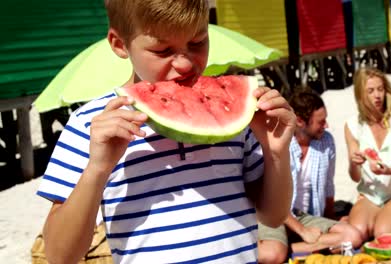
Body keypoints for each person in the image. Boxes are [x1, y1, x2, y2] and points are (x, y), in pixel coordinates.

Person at [36, 1, 296, 263]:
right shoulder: (91, 126)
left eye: (197, 43)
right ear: (118, 44)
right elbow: (61, 255)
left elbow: (272, 216)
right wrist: (97, 169)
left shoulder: (242, 121)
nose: (184, 64)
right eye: (162, 50)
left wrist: (276, 152)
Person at [258, 90, 362, 264]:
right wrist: (302, 231)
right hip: (276, 215)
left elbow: (329, 185)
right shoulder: (277, 142)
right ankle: (285, 248)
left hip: (303, 216)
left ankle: (289, 248)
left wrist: (330, 219)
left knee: (352, 236)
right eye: (321, 122)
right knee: (271, 256)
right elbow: (269, 199)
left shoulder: (326, 141)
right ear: (299, 121)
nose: (326, 126)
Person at [344, 67, 391, 242]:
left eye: (380, 89)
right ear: (360, 95)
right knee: (356, 233)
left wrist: (388, 170)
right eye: (370, 91)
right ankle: (384, 217)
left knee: (383, 233)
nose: (377, 95)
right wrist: (354, 163)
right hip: (372, 193)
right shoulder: (352, 126)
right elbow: (355, 177)